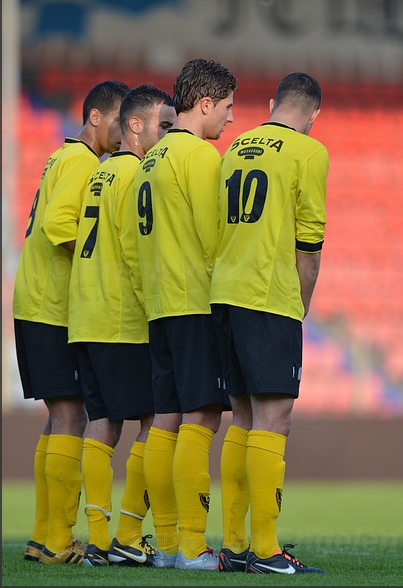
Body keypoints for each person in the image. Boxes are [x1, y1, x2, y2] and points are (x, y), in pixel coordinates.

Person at [210, 72, 329, 574]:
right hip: (268, 297)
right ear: (313, 114)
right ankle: (265, 549)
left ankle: (236, 545)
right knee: (274, 419)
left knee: (240, 418)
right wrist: (299, 306)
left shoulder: (235, 147)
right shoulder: (309, 152)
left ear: (274, 102)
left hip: (225, 295)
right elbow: (310, 245)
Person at [13, 80, 129, 565]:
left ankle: (44, 536)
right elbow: (60, 224)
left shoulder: (63, 157)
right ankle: (58, 540)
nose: (124, 133)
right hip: (53, 306)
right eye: (120, 121)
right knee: (71, 416)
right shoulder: (83, 162)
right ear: (97, 118)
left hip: (35, 301)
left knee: (60, 417)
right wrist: (96, 260)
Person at [133, 59, 237, 571]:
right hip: (194, 302)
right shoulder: (199, 156)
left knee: (165, 420)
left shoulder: (149, 160)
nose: (231, 119)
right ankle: (194, 546)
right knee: (203, 417)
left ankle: (171, 543)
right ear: (205, 104)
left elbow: (137, 246)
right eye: (228, 107)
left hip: (157, 306)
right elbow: (214, 236)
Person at [67, 84, 175, 568]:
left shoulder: (101, 172)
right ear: (136, 126)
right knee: (156, 422)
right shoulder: (135, 173)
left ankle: (97, 539)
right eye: (163, 125)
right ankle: (129, 534)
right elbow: (136, 250)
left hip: (86, 316)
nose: (167, 134)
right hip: (122, 318)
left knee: (102, 426)